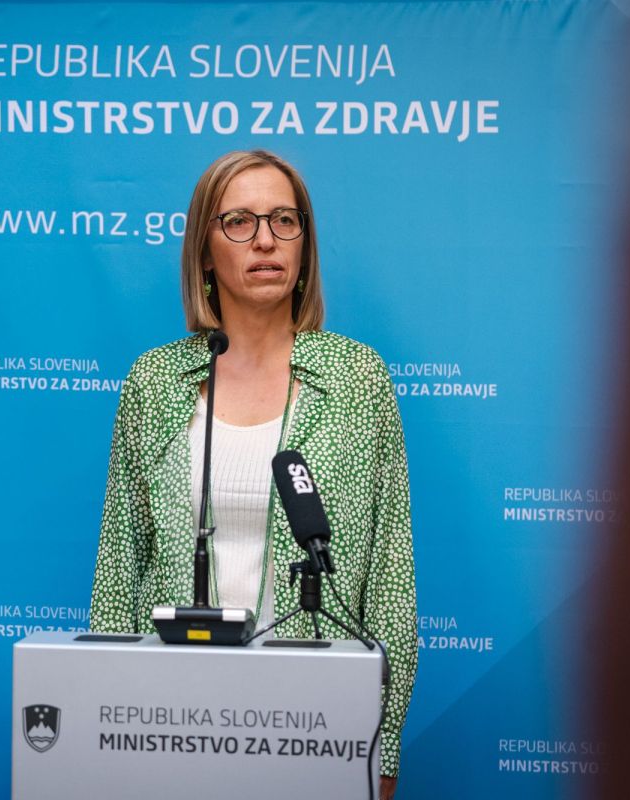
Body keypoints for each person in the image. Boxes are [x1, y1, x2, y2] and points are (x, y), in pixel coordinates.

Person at [89, 149, 417, 797]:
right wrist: (101, 718)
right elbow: (119, 569)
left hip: (316, 721)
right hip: (166, 716)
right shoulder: (155, 381)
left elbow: (391, 581)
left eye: (283, 220)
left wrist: (382, 746)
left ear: (304, 245)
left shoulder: (358, 379)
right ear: (204, 253)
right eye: (239, 221)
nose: (265, 240)